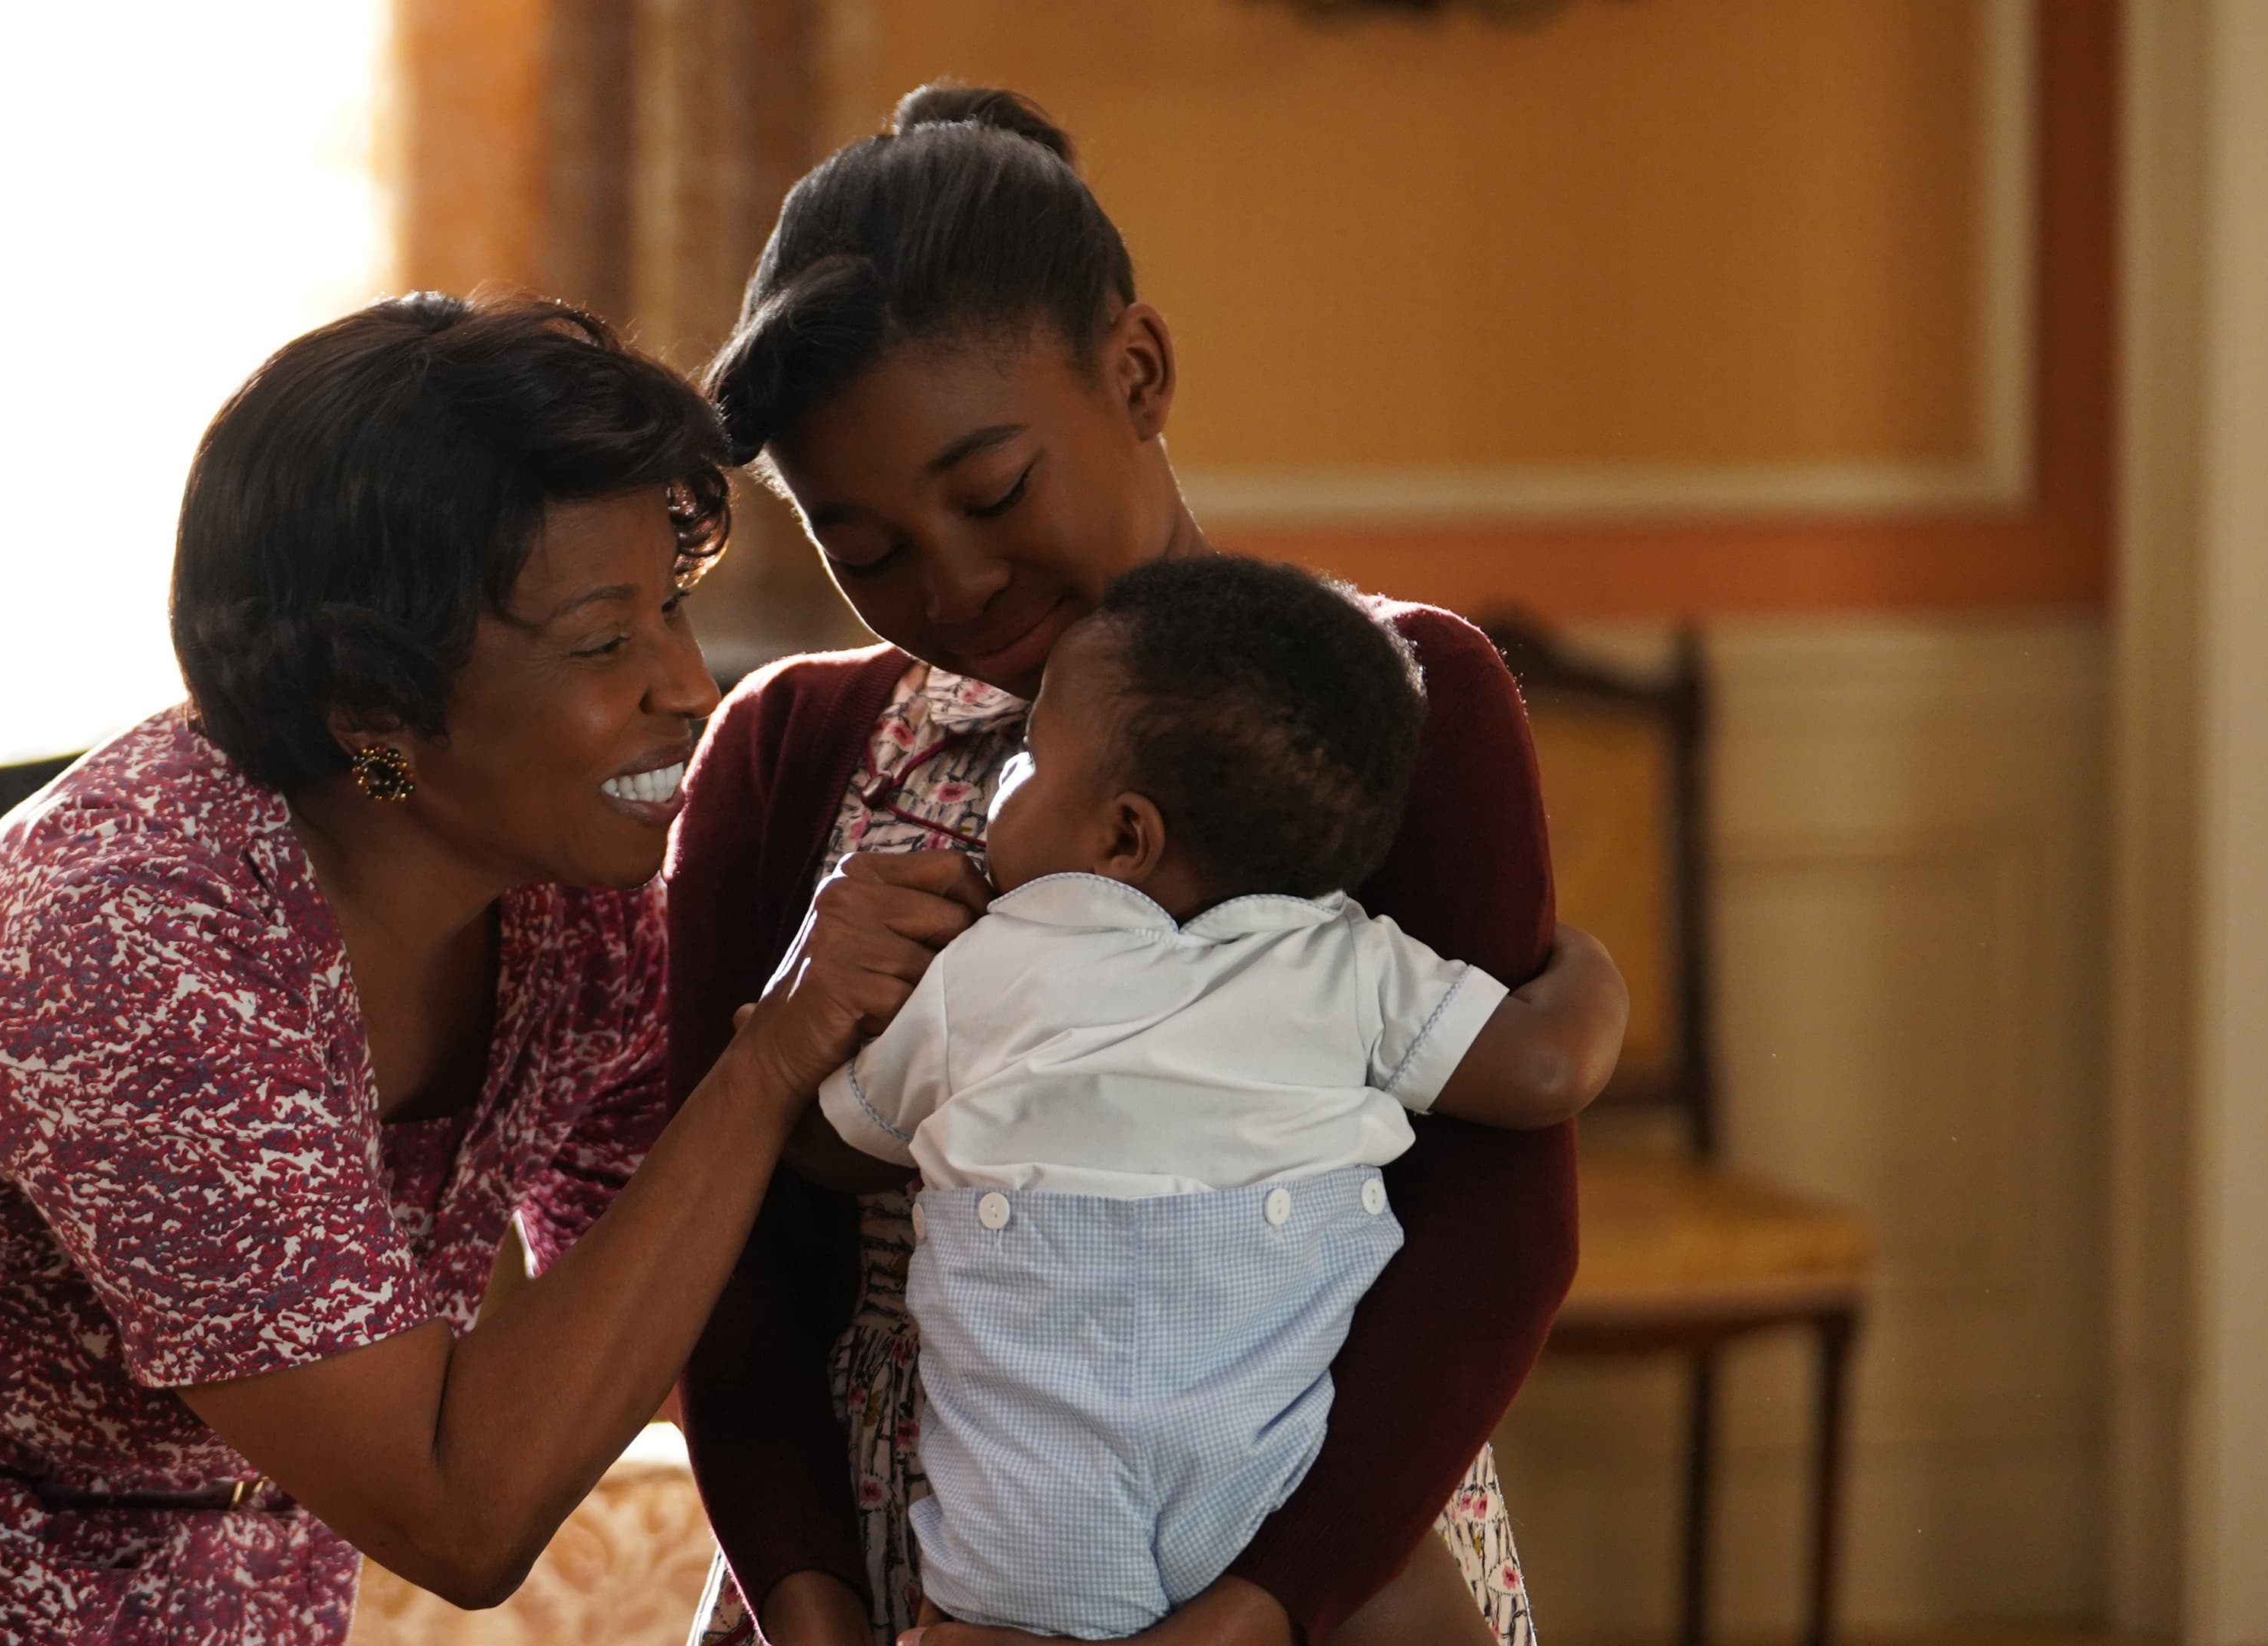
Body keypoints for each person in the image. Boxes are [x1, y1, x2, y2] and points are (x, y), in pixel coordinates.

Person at [0, 295, 969, 1644]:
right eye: (598, 644)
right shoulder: (127, 948)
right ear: (373, 710)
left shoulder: (574, 902)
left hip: (152, 1577)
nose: (687, 686)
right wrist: (769, 1057)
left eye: (672, 608)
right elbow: (461, 1515)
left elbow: (680, 1286)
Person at [668, 85, 1600, 1646]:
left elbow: (1495, 1238)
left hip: (1320, 1560)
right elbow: (734, 1258)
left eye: (992, 492)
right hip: (908, 1566)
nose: (956, 584)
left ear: (1139, 372)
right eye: (867, 549)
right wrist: (813, 1615)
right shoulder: (787, 751)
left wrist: (1257, 1613)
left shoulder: (1400, 698)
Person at [804, 558, 1626, 1638]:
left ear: (1123, 837)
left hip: (1041, 1516)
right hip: (1271, 1474)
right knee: (1392, 1589)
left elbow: (836, 1146)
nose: (1005, 783)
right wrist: (1589, 965)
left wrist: (799, 1017)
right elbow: (1548, 1072)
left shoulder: (980, 974)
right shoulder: (1349, 965)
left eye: (1029, 756)